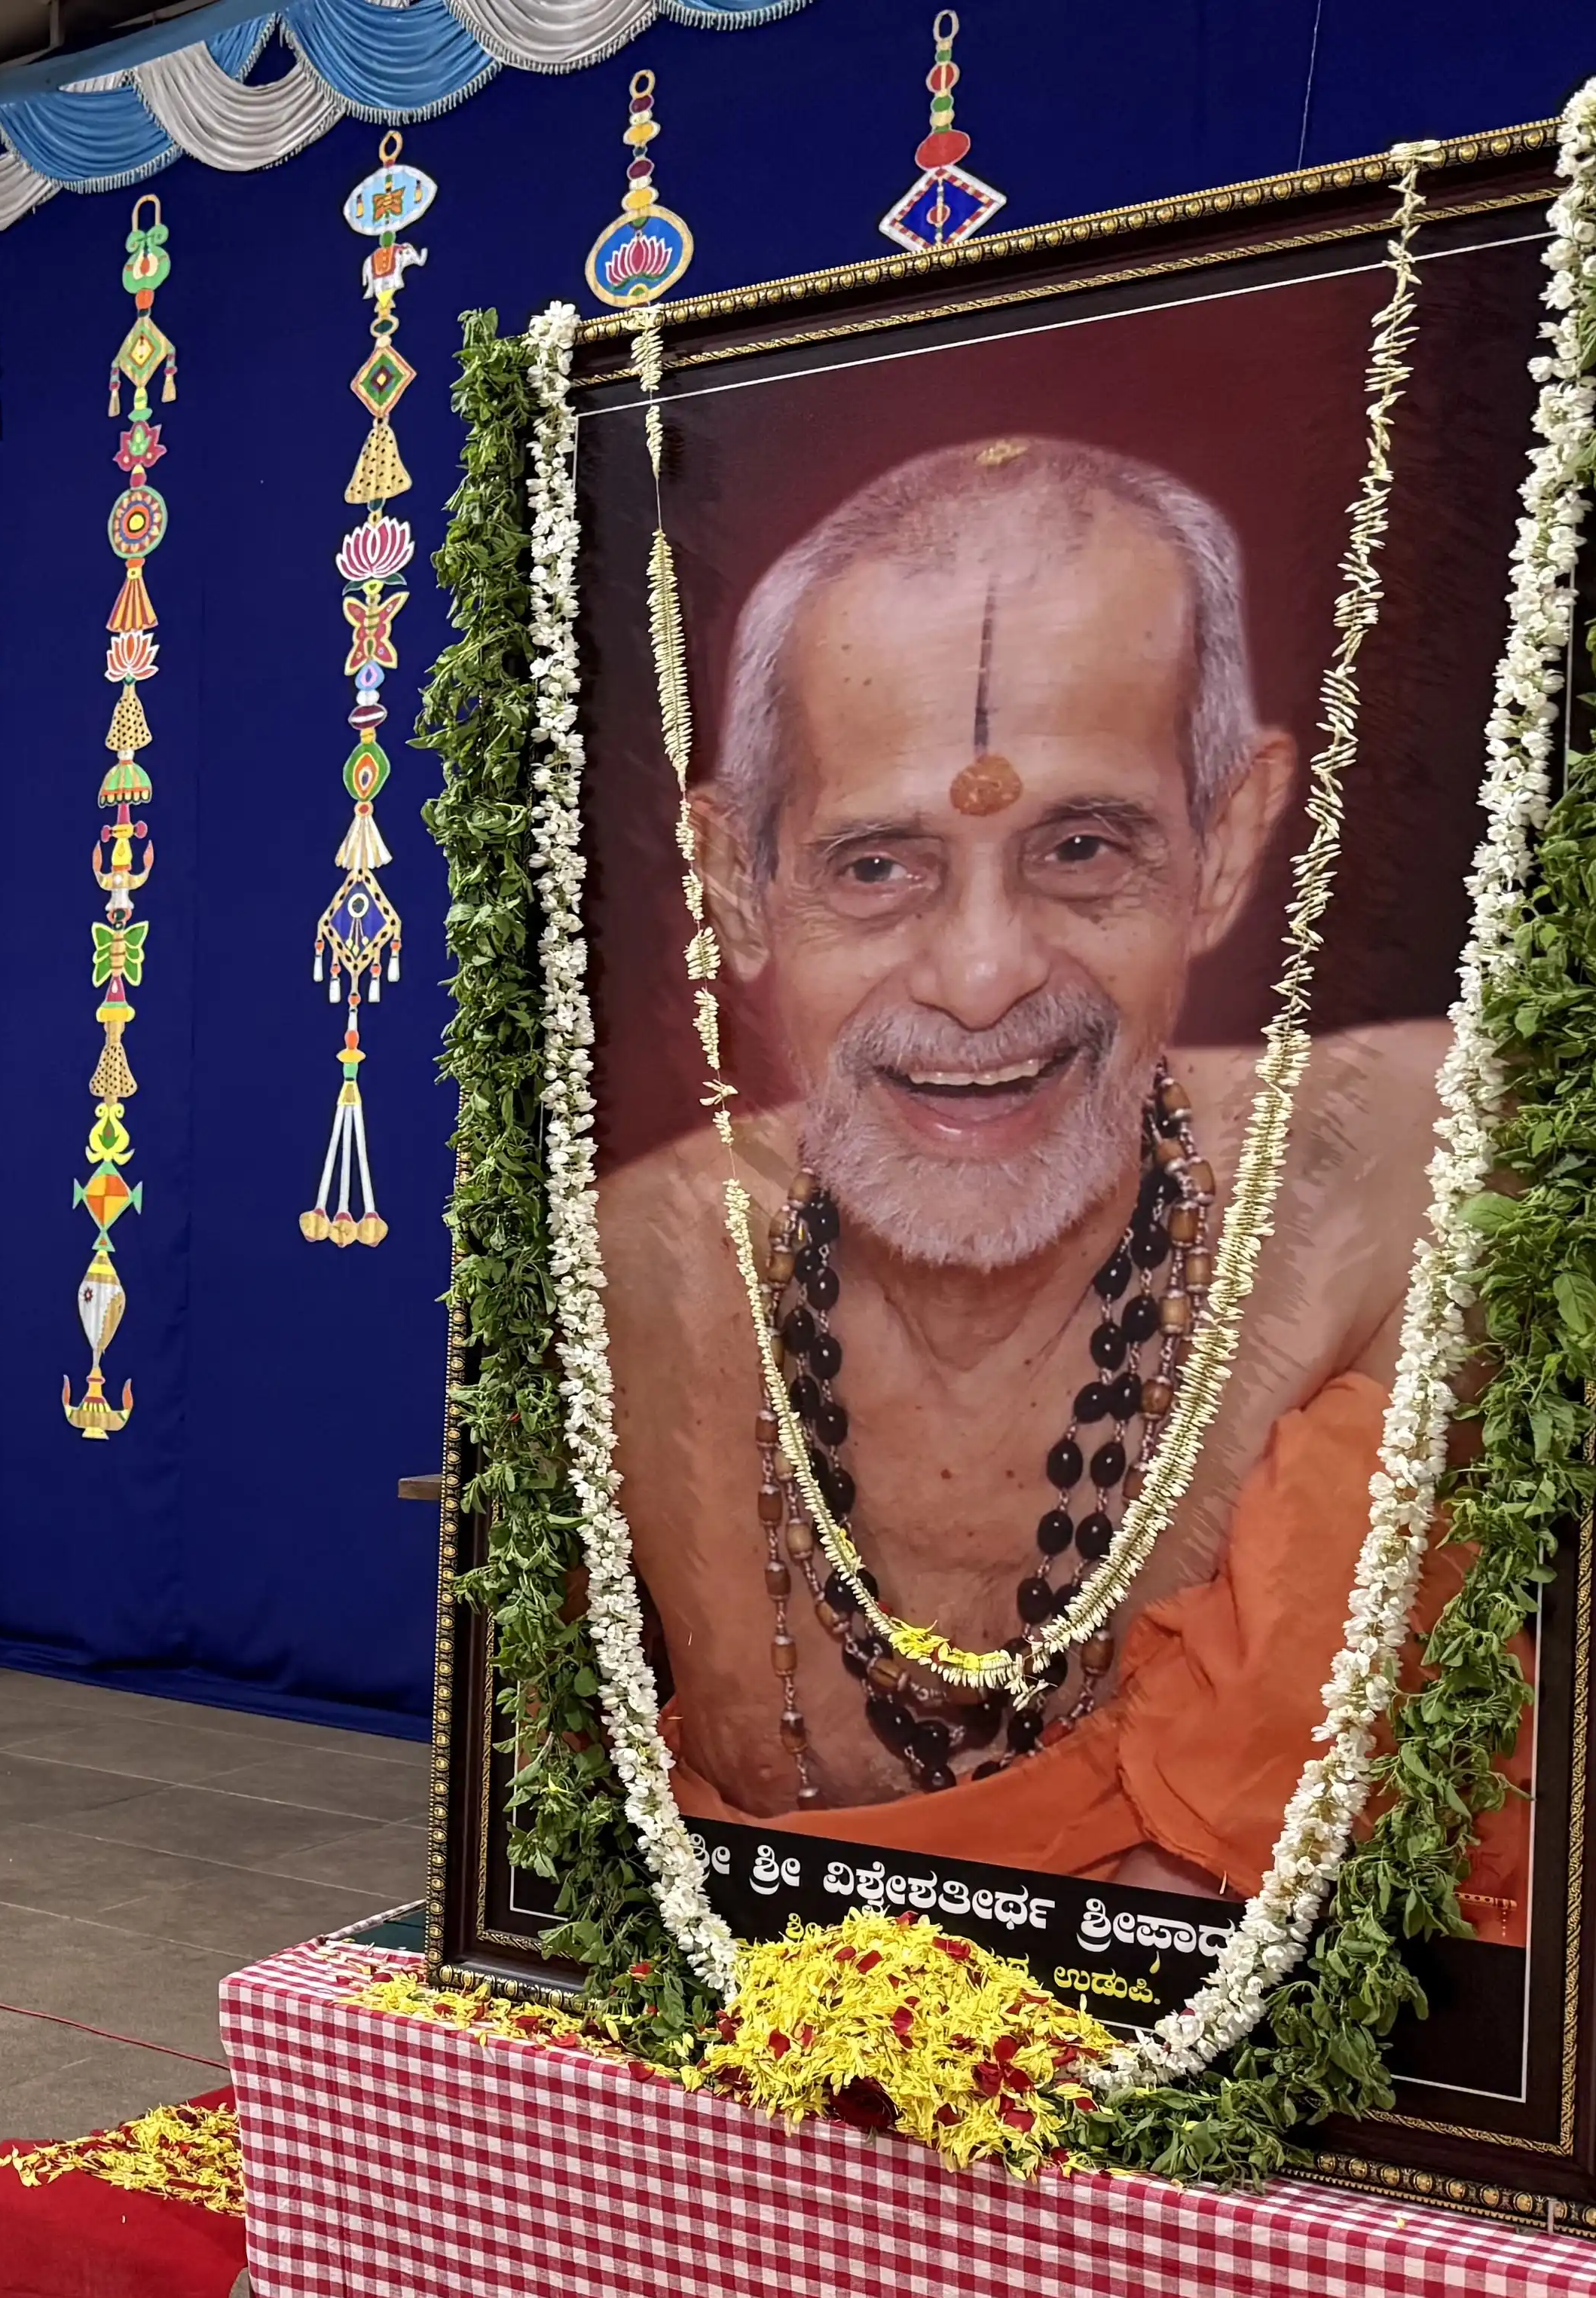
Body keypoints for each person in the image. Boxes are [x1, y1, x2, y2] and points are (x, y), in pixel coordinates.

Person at [595, 432, 1527, 1940]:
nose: (980, 978)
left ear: (1226, 842)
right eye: (879, 863)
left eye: (1082, 846)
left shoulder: (1403, 1171)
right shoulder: (635, 1263)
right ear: (738, 883)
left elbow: (1264, 1865)